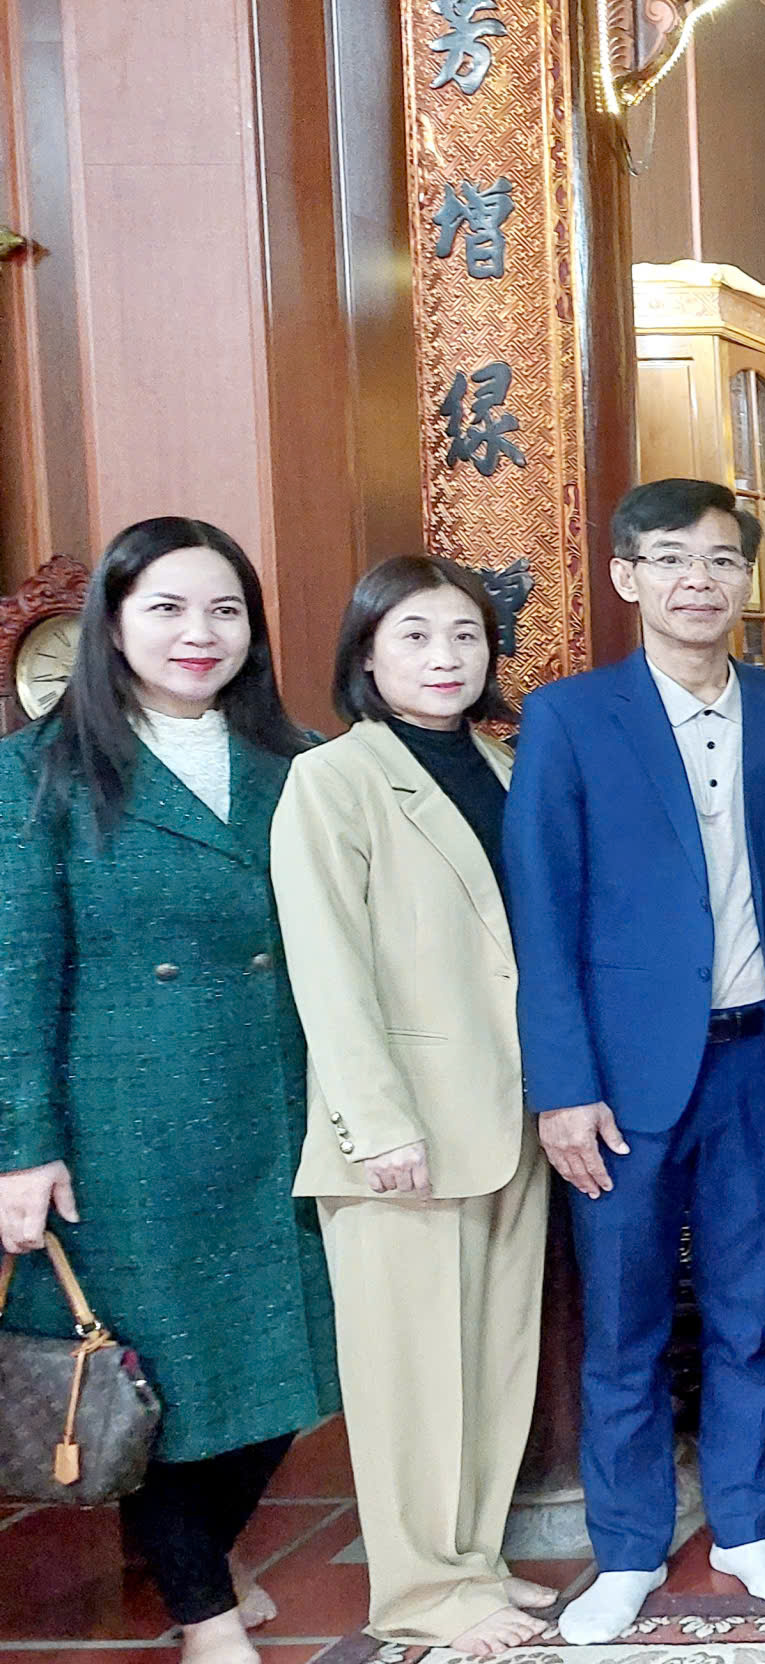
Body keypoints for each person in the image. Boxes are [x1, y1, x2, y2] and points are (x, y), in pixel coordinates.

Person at [503, 479, 765, 1643]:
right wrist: (562, 1086)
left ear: (746, 576)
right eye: (670, 558)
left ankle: (746, 1524)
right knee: (625, 1322)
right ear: (626, 576)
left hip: (764, 1063)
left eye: (722, 559)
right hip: (621, 1081)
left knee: (753, 1311)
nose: (699, 579)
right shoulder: (569, 717)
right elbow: (541, 915)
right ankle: (629, 1548)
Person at [0, 518, 334, 1664]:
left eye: (225, 610)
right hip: (125, 1125)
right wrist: (22, 1144)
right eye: (169, 609)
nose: (201, 633)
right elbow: (17, 971)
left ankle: (203, 1558)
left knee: (285, 1365)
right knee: (160, 1373)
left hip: (280, 1106)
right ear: (112, 625)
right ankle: (204, 1612)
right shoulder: (39, 770)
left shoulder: (297, 761)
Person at [270, 557, 551, 1655]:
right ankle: (420, 1590)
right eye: (416, 636)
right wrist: (376, 1122)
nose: (446, 658)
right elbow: (328, 966)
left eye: (465, 636)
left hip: (513, 1112)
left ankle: (471, 1563)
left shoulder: (504, 764)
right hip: (405, 1129)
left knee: (491, 1360)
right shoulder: (333, 778)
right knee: (411, 1376)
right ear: (367, 654)